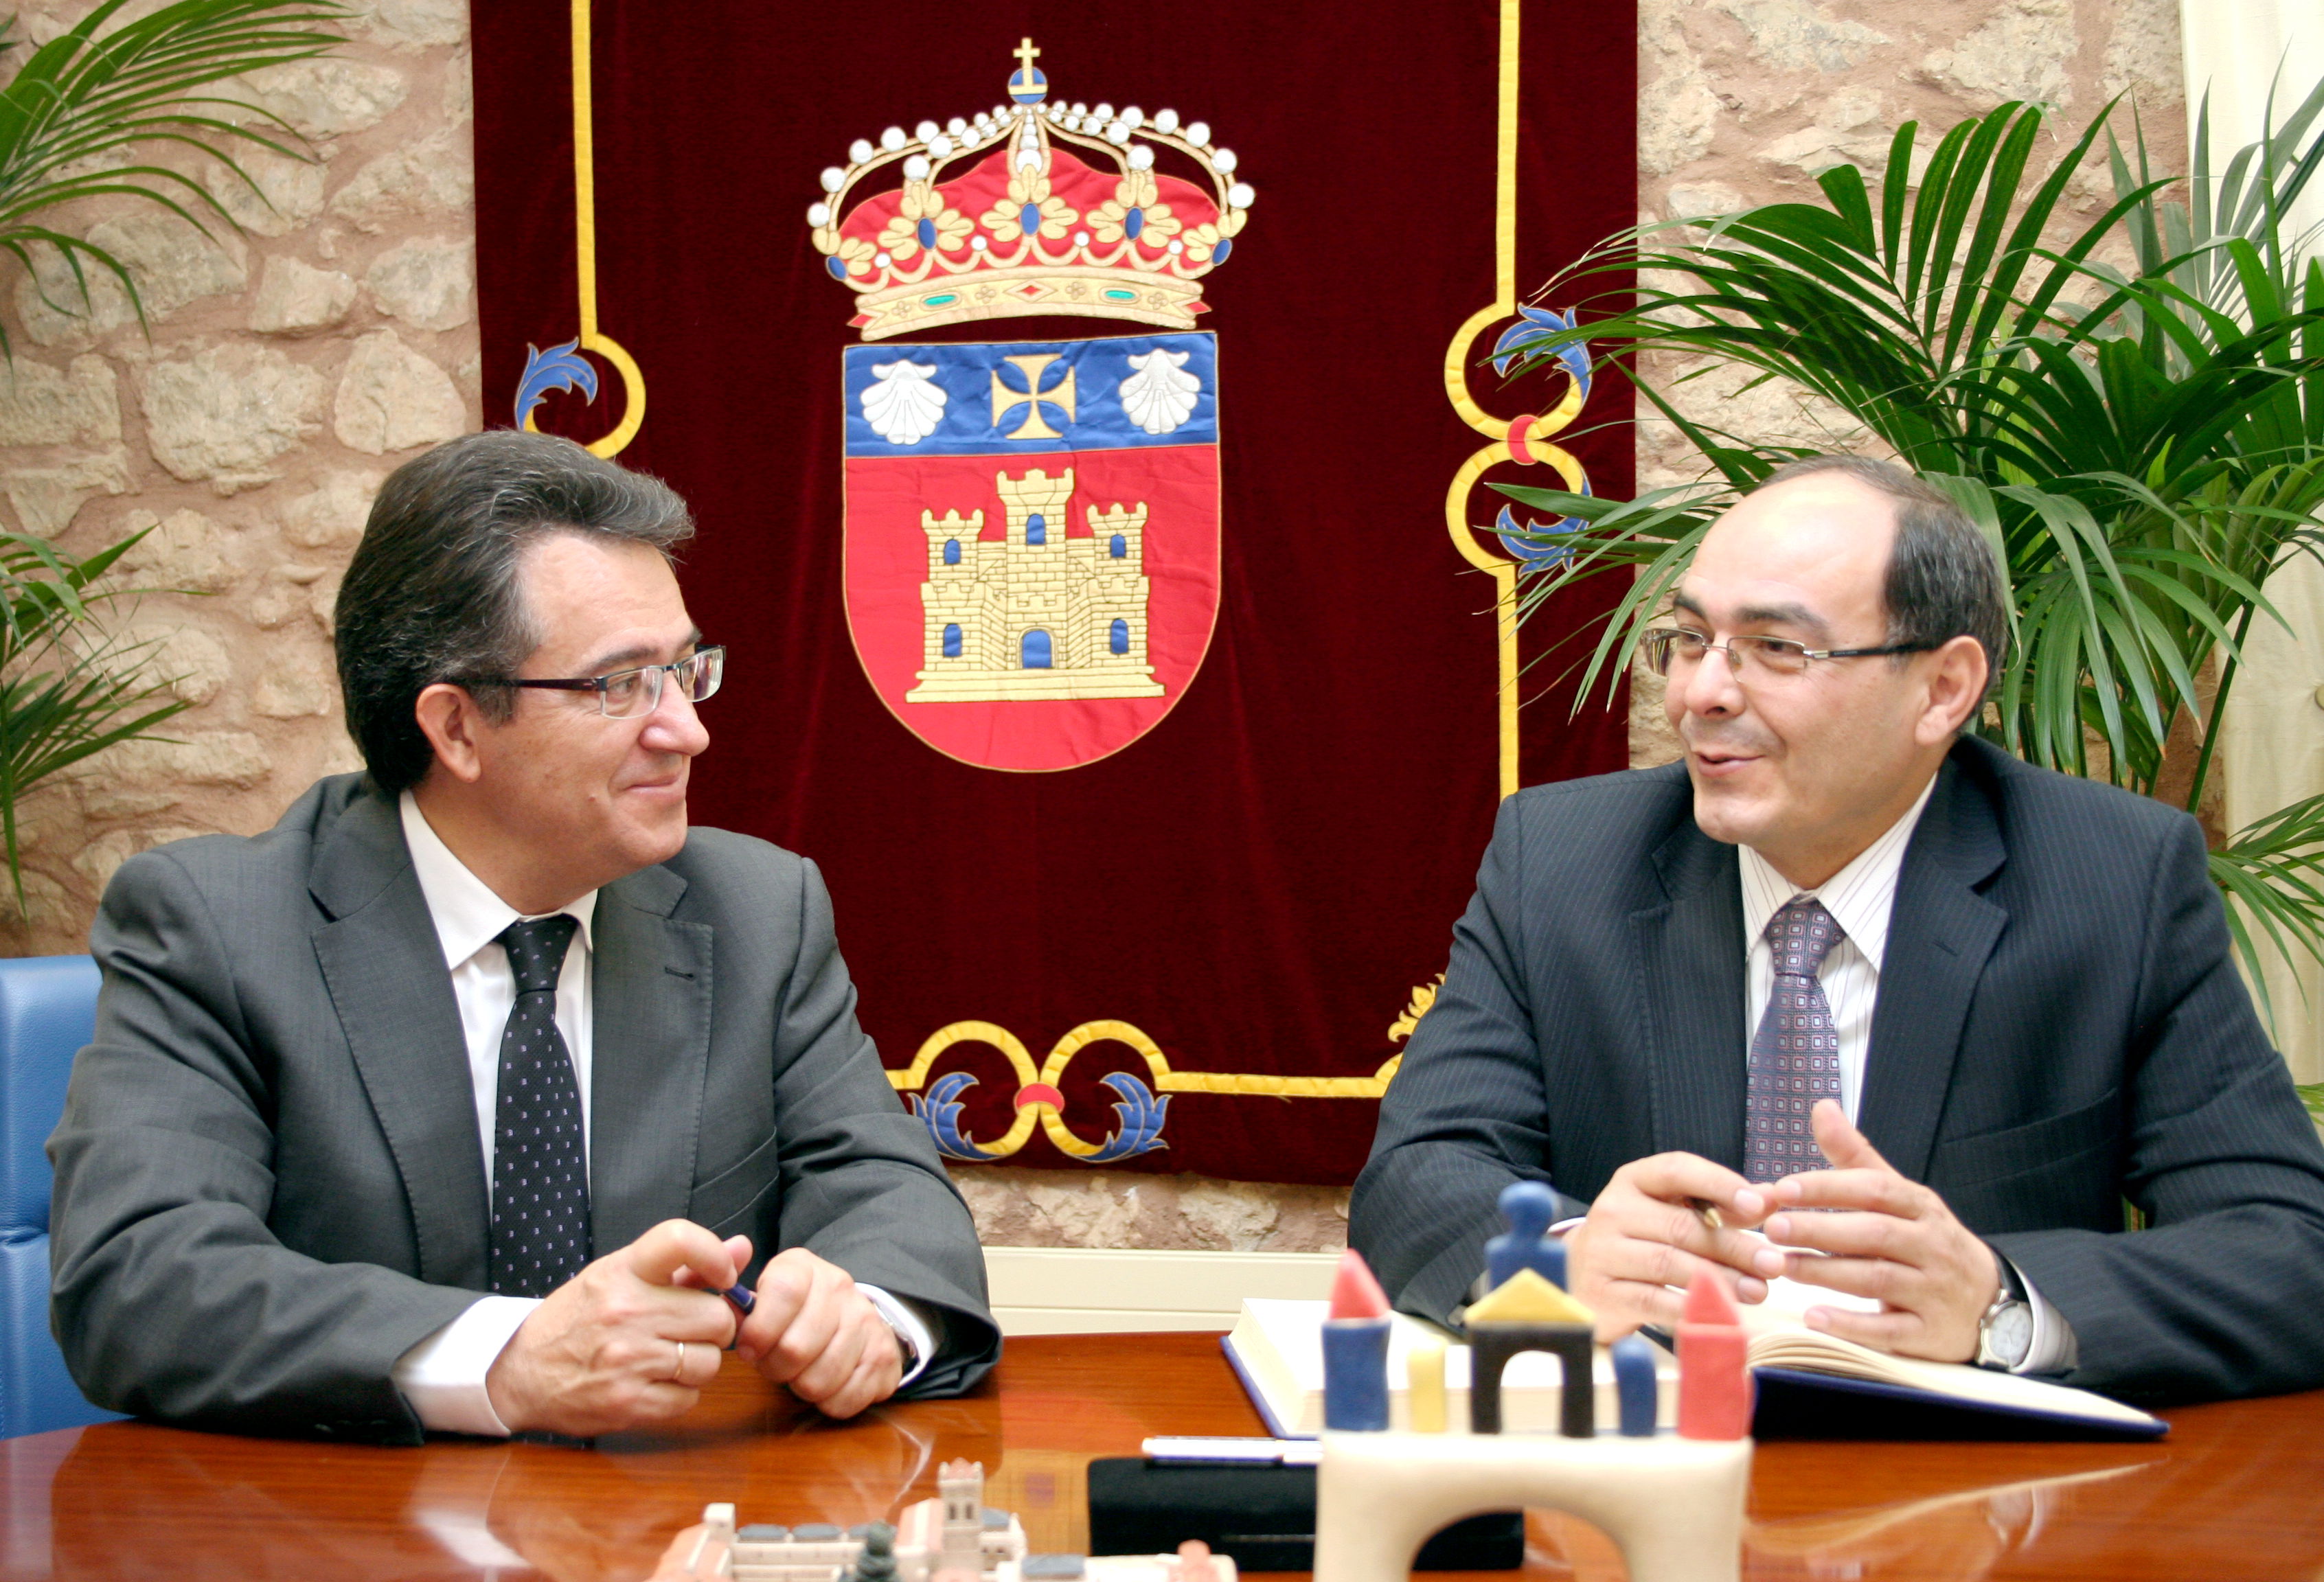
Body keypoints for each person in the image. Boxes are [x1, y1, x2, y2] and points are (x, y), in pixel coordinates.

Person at [47, 431, 999, 1443]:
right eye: (619, 685)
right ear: (456, 727)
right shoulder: (221, 925)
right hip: (350, 1511)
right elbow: (137, 1280)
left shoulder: (756, 911)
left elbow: (888, 1193)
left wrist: (868, 1316)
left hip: (674, 1507)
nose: (687, 730)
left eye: (684, 670)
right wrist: (503, 1360)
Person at [1350, 455, 2324, 1403]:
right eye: (1690, 638)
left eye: (1778, 648)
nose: (1702, 694)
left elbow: (2291, 1248)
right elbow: (1415, 1179)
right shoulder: (1564, 862)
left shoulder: (2111, 880)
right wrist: (1561, 1262)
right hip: (1643, 1463)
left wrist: (1996, 1304)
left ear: (1943, 689)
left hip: (1972, 1489)